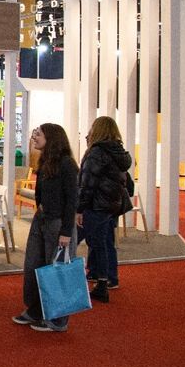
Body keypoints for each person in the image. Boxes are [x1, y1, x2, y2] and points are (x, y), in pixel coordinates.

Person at [13, 123, 79, 332]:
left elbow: (72, 200)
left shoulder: (67, 164)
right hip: (42, 220)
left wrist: (66, 232)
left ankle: (58, 319)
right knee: (34, 265)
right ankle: (35, 309)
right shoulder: (45, 162)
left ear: (51, 138)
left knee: (57, 270)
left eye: (38, 134)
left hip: (57, 223)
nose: (34, 137)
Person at [77, 116, 132, 303]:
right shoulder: (119, 153)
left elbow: (88, 183)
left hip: (96, 205)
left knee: (86, 240)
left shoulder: (97, 153)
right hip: (111, 204)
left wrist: (79, 208)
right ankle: (106, 278)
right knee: (104, 241)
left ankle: (99, 281)